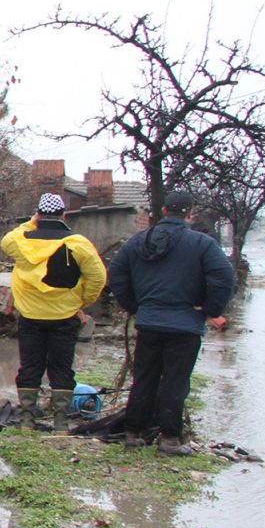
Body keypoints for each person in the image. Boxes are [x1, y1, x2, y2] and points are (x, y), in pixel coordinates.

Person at [106, 189, 235, 456]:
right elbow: (224, 277)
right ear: (190, 214)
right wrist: (210, 309)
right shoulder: (203, 244)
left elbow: (116, 272)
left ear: (163, 211)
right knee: (175, 382)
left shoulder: (138, 242)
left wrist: (134, 305)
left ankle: (132, 434)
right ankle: (170, 440)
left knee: (144, 378)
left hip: (149, 322)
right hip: (185, 324)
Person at [0, 193, 108, 430]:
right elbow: (98, 277)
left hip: (31, 316)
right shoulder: (78, 243)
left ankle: (27, 420)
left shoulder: (21, 241)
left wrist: (31, 222)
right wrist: (82, 301)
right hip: (64, 316)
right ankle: (60, 424)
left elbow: (6, 240)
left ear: (38, 214)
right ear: (64, 215)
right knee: (61, 368)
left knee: (30, 367)